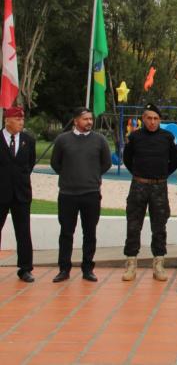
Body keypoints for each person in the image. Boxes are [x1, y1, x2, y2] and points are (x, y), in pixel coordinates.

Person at [51, 107, 112, 282]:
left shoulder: (99, 140)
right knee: (66, 233)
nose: (89, 122)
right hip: (68, 194)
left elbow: (106, 163)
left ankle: (87, 269)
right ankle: (64, 269)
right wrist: (70, 175)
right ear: (76, 120)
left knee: (90, 232)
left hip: (91, 194)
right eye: (85, 119)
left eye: (91, 119)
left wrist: (91, 175)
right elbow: (56, 164)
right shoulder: (63, 140)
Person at [121, 103, 177, 282]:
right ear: (143, 119)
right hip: (138, 185)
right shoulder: (135, 136)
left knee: (159, 227)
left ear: (159, 120)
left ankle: (159, 265)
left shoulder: (167, 137)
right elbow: (127, 159)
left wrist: (161, 175)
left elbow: (175, 161)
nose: (152, 122)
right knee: (133, 225)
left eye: (156, 118)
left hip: (159, 187)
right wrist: (140, 174)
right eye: (149, 118)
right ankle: (131, 264)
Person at [0, 106, 36, 282]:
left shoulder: (28, 140)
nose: (21, 122)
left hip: (21, 194)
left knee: (23, 232)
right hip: (1, 193)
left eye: (22, 119)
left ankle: (25, 268)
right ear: (7, 120)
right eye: (18, 119)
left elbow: (29, 164)